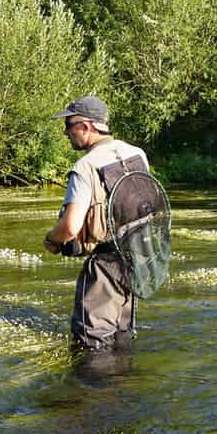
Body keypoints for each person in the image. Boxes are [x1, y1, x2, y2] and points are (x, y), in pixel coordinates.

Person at [43, 96, 150, 351]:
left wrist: (51, 240)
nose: (66, 132)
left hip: (105, 266)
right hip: (137, 257)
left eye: (69, 125)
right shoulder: (137, 154)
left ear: (86, 126)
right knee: (121, 334)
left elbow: (70, 227)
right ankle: (123, 387)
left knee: (91, 343)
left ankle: (93, 391)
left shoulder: (85, 167)